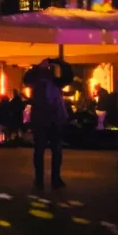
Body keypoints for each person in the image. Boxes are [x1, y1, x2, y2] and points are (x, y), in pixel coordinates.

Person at [24, 58, 73, 188]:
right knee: (49, 149)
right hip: (48, 118)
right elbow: (26, 78)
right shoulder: (50, 82)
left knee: (47, 150)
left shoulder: (48, 82)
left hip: (47, 118)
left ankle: (47, 179)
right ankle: (47, 179)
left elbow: (69, 76)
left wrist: (55, 62)